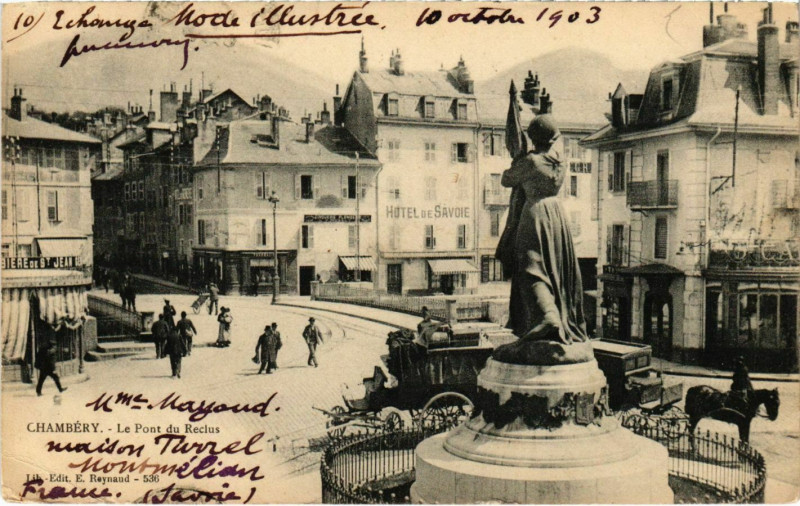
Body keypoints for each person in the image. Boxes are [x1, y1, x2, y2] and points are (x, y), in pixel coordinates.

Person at [493, 115, 589, 363]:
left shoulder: (531, 162)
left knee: (530, 267)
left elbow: (506, 179)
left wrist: (518, 158)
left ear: (532, 138)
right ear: (554, 138)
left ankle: (547, 316)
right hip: (557, 216)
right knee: (554, 267)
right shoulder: (561, 162)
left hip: (534, 215)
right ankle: (554, 315)